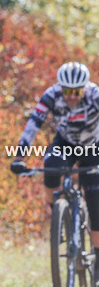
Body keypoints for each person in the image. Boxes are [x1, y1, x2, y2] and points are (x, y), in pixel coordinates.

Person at [11, 61, 99, 249]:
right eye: (68, 91)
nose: (72, 97)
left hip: (92, 145)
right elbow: (33, 124)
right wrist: (19, 158)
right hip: (65, 142)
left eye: (77, 92)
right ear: (61, 88)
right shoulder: (51, 95)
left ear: (84, 88)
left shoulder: (94, 95)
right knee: (50, 167)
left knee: (96, 205)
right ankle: (56, 215)